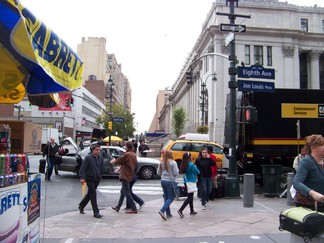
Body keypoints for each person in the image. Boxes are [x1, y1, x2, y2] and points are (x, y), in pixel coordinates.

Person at [293, 134, 324, 212]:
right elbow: (297, 182)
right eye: (322, 145)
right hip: (309, 206)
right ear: (314, 147)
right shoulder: (306, 162)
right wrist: (313, 193)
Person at [111, 141, 138, 214]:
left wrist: (114, 161)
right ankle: (118, 207)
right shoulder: (133, 154)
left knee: (126, 192)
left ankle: (133, 208)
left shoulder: (127, 154)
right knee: (123, 192)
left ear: (126, 146)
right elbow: (130, 164)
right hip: (130, 174)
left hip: (125, 175)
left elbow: (120, 160)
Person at [78, 143, 104, 218]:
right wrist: (82, 178)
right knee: (93, 194)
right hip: (89, 178)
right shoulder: (88, 158)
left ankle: (81, 205)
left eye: (99, 149)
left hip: (97, 178)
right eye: (97, 150)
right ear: (92, 150)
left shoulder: (100, 157)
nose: (98, 151)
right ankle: (96, 212)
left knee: (90, 194)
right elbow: (83, 168)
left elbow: (101, 166)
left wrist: (101, 175)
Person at [157, 150, 179, 220]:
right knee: (171, 198)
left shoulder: (161, 162)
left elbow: (158, 173)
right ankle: (162, 210)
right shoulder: (173, 162)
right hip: (171, 181)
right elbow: (176, 173)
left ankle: (168, 213)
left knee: (166, 197)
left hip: (163, 180)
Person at [177, 152, 200, 218]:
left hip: (186, 180)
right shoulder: (191, 165)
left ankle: (191, 210)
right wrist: (195, 167)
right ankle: (181, 210)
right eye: (191, 156)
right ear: (189, 157)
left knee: (190, 195)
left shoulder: (184, 164)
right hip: (191, 181)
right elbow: (198, 172)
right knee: (190, 197)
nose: (192, 157)